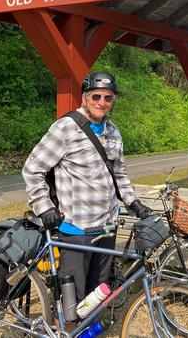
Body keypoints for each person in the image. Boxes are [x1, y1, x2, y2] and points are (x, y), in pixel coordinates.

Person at [23, 71, 152, 321]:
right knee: (73, 299)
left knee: (98, 292)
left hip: (106, 227)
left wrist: (133, 202)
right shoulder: (66, 128)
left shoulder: (113, 132)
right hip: (76, 230)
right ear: (85, 98)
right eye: (96, 96)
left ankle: (90, 330)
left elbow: (120, 174)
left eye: (108, 97)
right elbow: (33, 167)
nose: (102, 102)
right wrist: (44, 207)